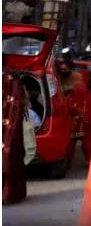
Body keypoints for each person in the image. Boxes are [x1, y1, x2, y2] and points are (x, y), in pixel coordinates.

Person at [57, 52, 91, 159]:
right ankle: (67, 162)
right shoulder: (57, 79)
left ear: (70, 68)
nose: (63, 71)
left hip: (81, 116)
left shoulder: (78, 79)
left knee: (87, 143)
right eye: (61, 69)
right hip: (68, 117)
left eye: (65, 69)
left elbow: (85, 97)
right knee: (68, 144)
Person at [3, 72, 28, 204]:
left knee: (10, 159)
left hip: (10, 128)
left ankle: (10, 194)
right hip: (9, 126)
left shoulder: (14, 82)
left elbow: (18, 106)